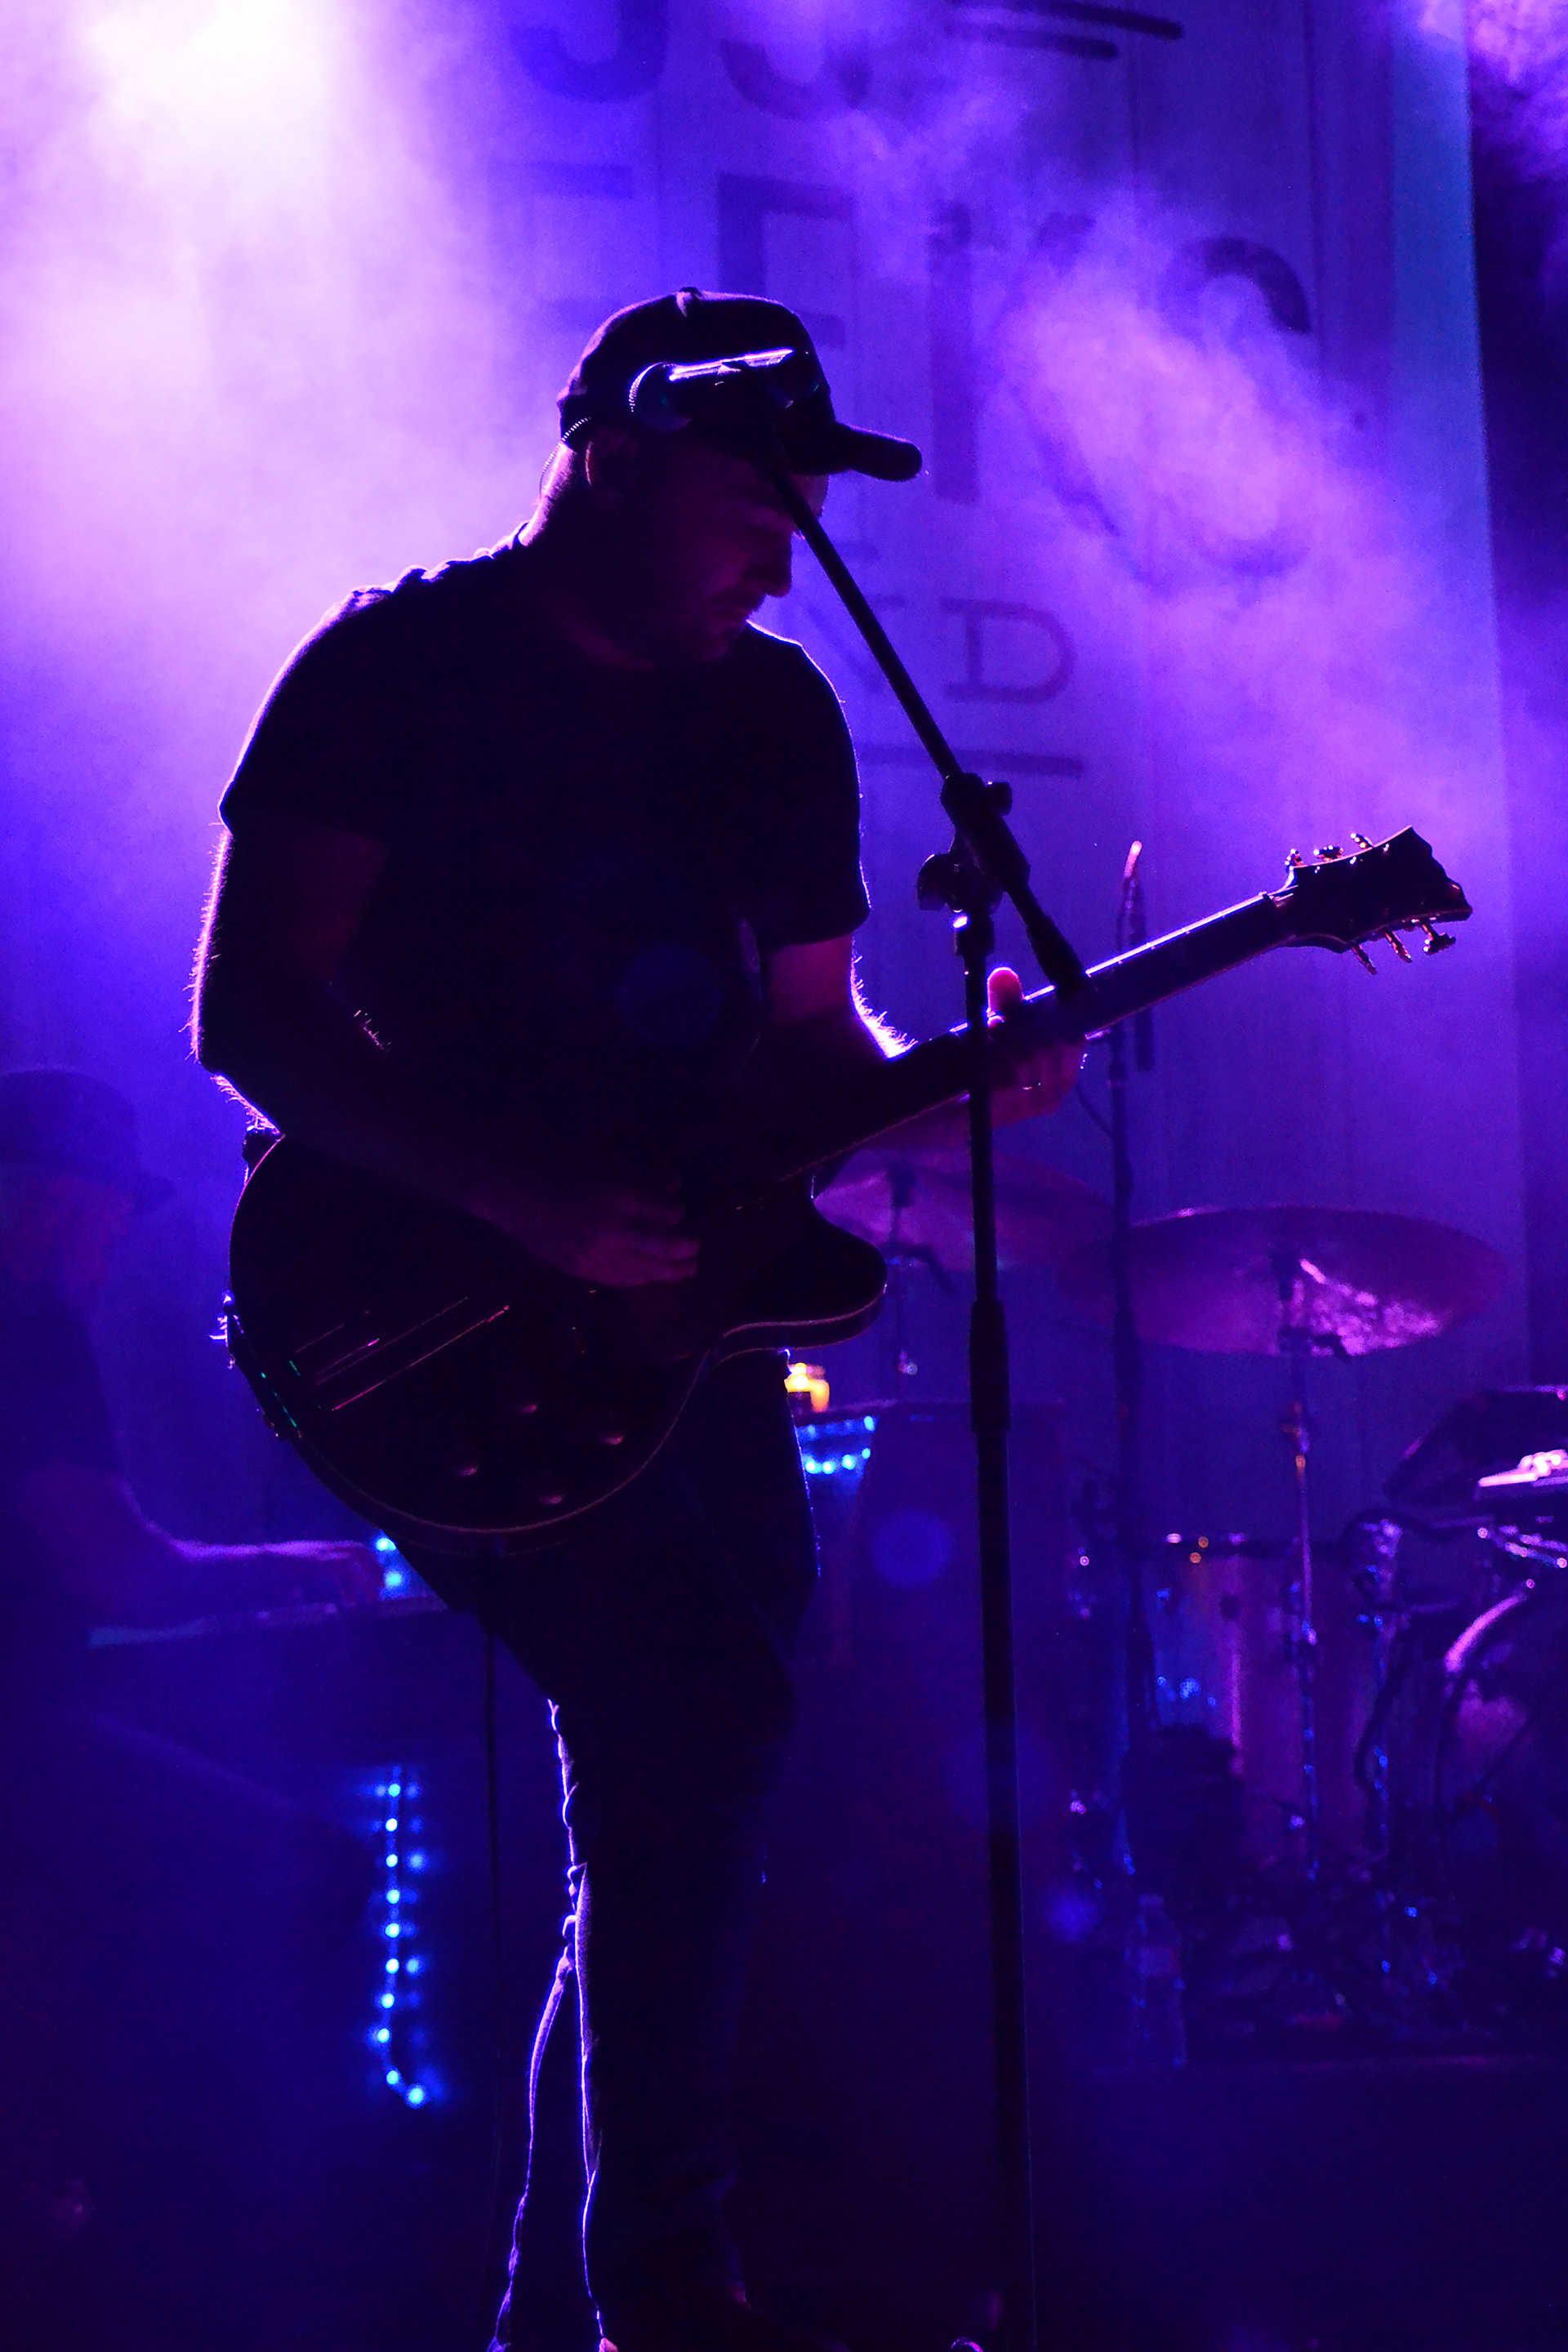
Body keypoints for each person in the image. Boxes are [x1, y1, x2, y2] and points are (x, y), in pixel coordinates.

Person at [193, 287, 1084, 2352]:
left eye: (802, 510)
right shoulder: (392, 672)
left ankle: (573, 2300)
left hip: (684, 1312)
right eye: (750, 499)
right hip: (407, 1304)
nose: (784, 545)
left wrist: (956, 1074)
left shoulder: (772, 718)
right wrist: (509, 1188)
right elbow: (251, 1008)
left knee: (698, 1752)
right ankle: (661, 2292)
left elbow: (810, 1054)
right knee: (692, 1714)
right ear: (606, 452)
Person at [0, 1066, 380, 2341]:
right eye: (108, 1220)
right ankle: (179, 2237)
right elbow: (116, 1570)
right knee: (314, 1875)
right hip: (16, 1753)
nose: (109, 1253)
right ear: (65, 1205)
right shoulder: (26, 1317)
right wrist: (301, 1565)